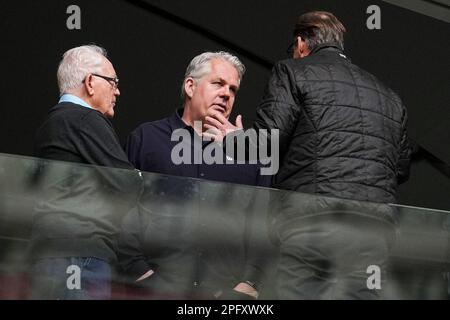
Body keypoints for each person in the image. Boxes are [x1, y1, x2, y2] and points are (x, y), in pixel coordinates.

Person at [206, 11, 411, 299]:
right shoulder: (389, 96)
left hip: (311, 225)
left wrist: (233, 139)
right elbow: (400, 168)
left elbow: (267, 142)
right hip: (372, 232)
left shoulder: (292, 71)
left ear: (301, 43)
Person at [120, 51, 272, 299]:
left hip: (227, 297)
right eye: (218, 84)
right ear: (190, 86)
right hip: (154, 291)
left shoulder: (250, 150)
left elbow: (264, 225)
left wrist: (248, 285)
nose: (226, 94)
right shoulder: (147, 138)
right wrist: (141, 274)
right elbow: (122, 210)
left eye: (233, 89)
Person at [30, 45, 141, 299]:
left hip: (48, 256)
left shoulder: (50, 123)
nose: (118, 90)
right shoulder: (85, 119)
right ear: (90, 82)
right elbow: (129, 185)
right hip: (80, 256)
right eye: (113, 81)